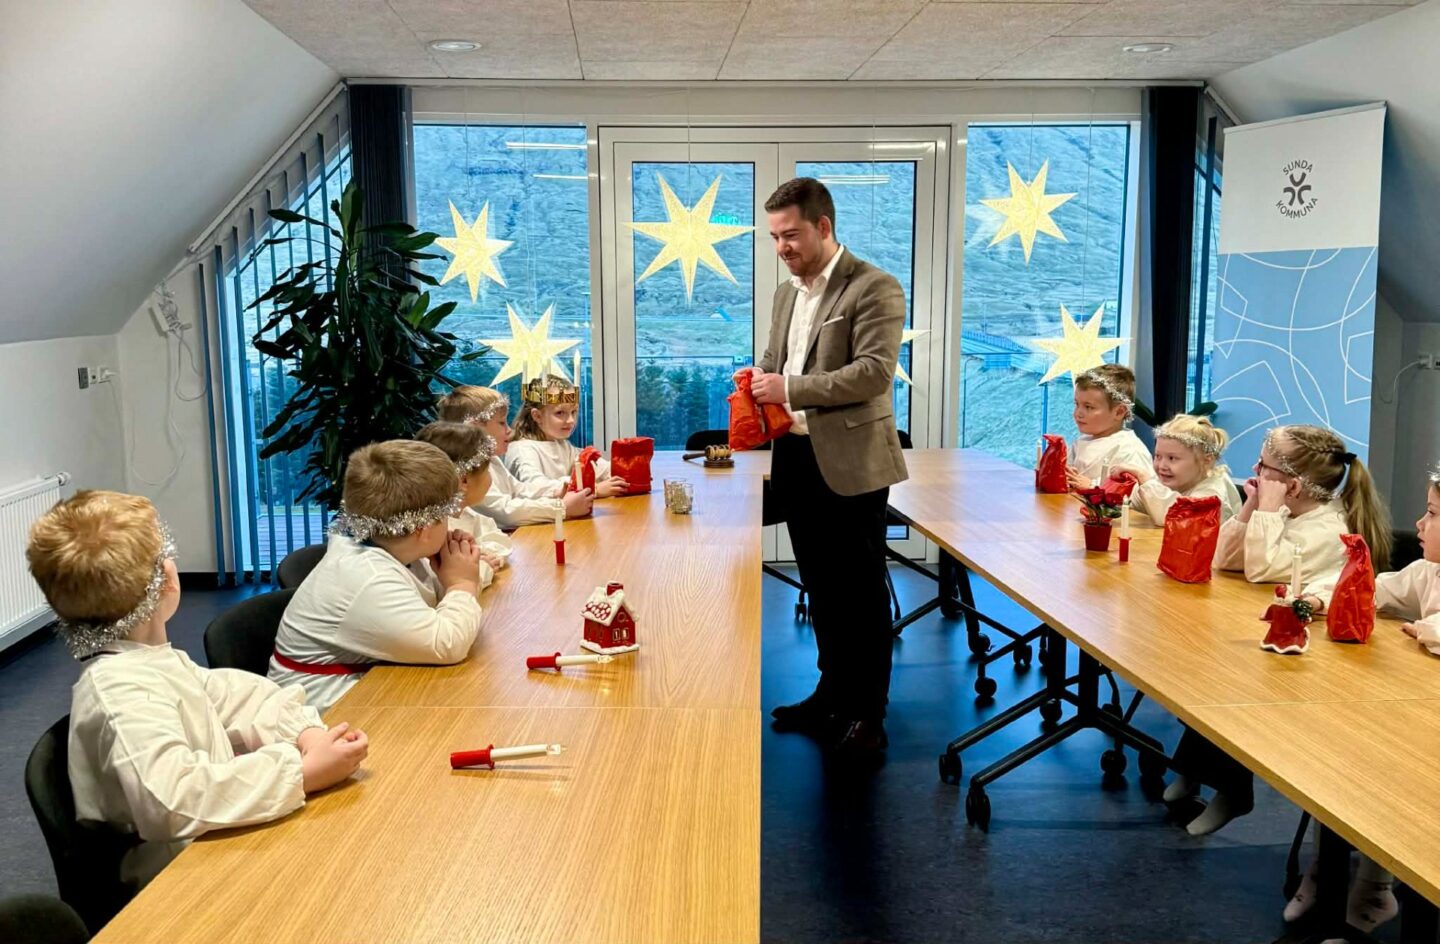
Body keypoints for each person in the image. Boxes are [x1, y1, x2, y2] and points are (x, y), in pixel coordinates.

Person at [27, 490, 366, 886]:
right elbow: (172, 800)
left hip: (210, 849)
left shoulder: (149, 661)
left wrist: (306, 735)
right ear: (166, 580)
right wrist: (301, 772)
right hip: (178, 882)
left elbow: (238, 696)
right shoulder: (119, 692)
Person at [742, 177, 907, 763]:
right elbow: (777, 358)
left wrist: (788, 387)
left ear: (824, 226)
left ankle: (869, 714)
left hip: (853, 463)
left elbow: (873, 374)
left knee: (861, 594)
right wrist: (757, 377)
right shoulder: (786, 293)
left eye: (790, 235)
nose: (781, 247)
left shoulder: (875, 286)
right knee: (820, 586)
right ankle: (831, 694)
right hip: (795, 457)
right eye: (774, 237)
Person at [1168, 424, 1391, 835]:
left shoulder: (1326, 528)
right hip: (1276, 638)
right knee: (1203, 661)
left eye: (1265, 466)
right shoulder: (1291, 512)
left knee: (1226, 681)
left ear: (1293, 485)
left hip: (1316, 661)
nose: (1255, 470)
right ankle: (1192, 770)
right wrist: (1252, 507)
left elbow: (1259, 569)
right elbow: (1223, 560)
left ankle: (1233, 790)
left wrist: (1267, 512)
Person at [1282, 466, 1440, 934]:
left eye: (1432, 514)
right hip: (1420, 713)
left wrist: (1426, 628)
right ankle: (1340, 876)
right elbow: (1372, 586)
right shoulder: (1428, 571)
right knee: (1347, 749)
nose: (1419, 524)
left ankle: (1379, 886)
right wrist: (1319, 599)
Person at [269, 440, 485, 712]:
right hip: (326, 713)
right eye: (447, 515)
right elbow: (448, 643)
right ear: (424, 529)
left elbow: (439, 601)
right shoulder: (367, 577)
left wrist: (459, 571)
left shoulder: (391, 547)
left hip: (367, 690)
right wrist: (463, 583)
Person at [436, 385, 594, 529]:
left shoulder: (492, 460)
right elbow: (505, 512)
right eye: (501, 423)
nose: (509, 430)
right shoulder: (467, 473)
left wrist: (556, 491)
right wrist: (561, 508)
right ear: (475, 428)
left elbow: (519, 489)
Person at [414, 420, 513, 589]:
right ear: (464, 480)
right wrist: (481, 568)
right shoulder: (433, 534)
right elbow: (446, 586)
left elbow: (498, 540)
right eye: (487, 471)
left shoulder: (465, 513)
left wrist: (477, 555)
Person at [507, 375, 629, 498]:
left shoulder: (562, 444)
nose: (571, 420)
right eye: (560, 413)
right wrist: (594, 489)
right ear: (537, 416)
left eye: (573, 412)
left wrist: (627, 469)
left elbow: (596, 467)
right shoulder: (521, 450)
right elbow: (535, 487)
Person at [1117, 413, 1242, 526]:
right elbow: (1134, 504)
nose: (1162, 466)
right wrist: (1120, 491)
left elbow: (1176, 519)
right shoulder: (1177, 479)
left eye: (1172, 458)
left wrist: (1144, 478)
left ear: (1206, 461)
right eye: (1158, 456)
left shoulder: (1213, 494)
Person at [1064, 365, 1153, 490]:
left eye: (1089, 407)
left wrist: (1093, 487)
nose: (1078, 413)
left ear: (1119, 412)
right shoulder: (1082, 440)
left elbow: (1138, 493)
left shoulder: (1130, 450)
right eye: (1077, 404)